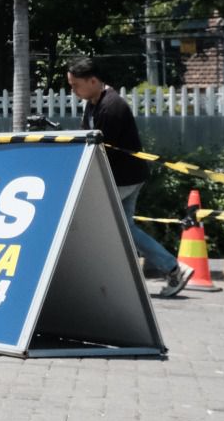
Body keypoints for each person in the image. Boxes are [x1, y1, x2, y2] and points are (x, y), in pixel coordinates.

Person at [66, 56, 193, 298]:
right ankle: (169, 269)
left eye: (75, 85)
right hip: (122, 177)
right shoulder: (93, 104)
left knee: (102, 226)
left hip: (122, 178)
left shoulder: (111, 107)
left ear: (92, 81)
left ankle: (167, 269)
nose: (73, 90)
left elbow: (101, 150)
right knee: (123, 229)